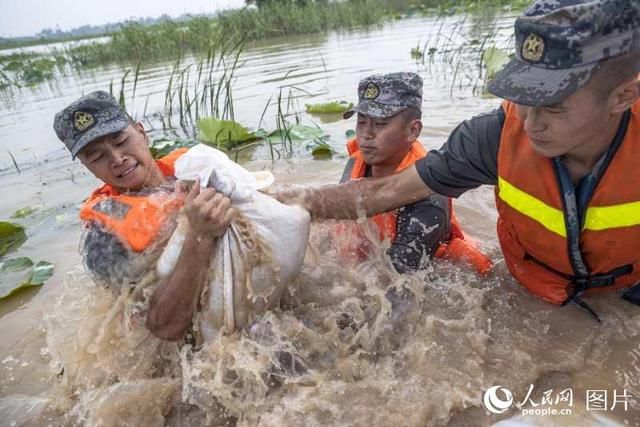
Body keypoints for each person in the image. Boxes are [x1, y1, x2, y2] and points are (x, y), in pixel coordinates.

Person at [277, 0, 640, 320]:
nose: (529, 122)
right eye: (524, 96)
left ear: (623, 96)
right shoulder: (493, 136)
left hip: (627, 290)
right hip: (532, 291)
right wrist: (278, 202)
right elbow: (385, 191)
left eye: (552, 105)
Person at [53, 91, 234, 341]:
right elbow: (164, 328)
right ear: (87, 166)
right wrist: (198, 235)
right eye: (96, 156)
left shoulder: (195, 168)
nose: (117, 159)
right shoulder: (104, 240)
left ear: (141, 132)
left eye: (120, 141)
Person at [335, 72, 492, 274]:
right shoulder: (357, 161)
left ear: (413, 130)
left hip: (446, 270)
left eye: (380, 123)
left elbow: (400, 276)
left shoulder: (429, 193)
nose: (367, 134)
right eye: (362, 122)